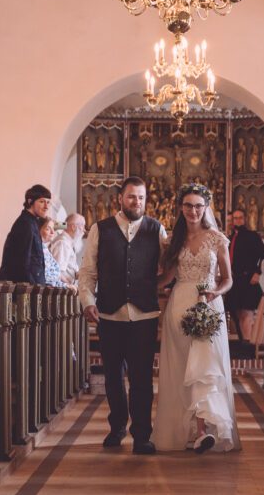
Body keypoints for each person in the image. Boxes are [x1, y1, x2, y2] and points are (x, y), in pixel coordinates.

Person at [78, 176, 167, 455]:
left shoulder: (156, 229)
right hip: (110, 313)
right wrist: (87, 301)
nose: (136, 202)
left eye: (141, 197)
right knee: (114, 377)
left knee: (141, 377)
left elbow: (168, 267)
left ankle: (142, 434)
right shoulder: (100, 229)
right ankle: (116, 426)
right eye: (131, 197)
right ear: (120, 198)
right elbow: (88, 270)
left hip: (145, 314)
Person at [152, 183, 240, 454]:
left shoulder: (217, 239)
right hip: (179, 304)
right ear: (181, 208)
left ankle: (204, 431)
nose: (193, 211)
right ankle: (188, 429)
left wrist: (215, 293)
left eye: (198, 206)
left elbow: (228, 279)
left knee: (204, 367)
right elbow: (166, 279)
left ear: (206, 208)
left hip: (207, 304)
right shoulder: (173, 241)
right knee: (182, 368)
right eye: (188, 205)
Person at [225, 206, 264, 340]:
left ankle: (249, 346)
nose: (237, 221)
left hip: (248, 280)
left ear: (244, 219)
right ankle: (243, 343)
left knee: (246, 315)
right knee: (235, 313)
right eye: (234, 218)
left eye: (239, 218)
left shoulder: (252, 236)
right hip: (235, 281)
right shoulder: (231, 238)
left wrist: (257, 273)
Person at [0, 184, 51, 285]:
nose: (46, 207)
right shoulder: (25, 224)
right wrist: (34, 287)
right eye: (42, 201)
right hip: (24, 289)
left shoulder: (32, 222)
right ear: (30, 201)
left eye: (48, 202)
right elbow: (22, 262)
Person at [38, 217, 76, 291]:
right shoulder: (39, 248)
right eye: (48, 229)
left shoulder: (44, 247)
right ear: (38, 230)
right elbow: (48, 278)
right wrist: (65, 285)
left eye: (53, 229)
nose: (53, 232)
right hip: (47, 291)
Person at [51, 212, 85, 283]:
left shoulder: (69, 243)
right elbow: (57, 272)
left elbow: (72, 272)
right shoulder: (63, 243)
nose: (84, 230)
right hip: (62, 291)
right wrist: (69, 286)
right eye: (82, 226)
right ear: (73, 227)